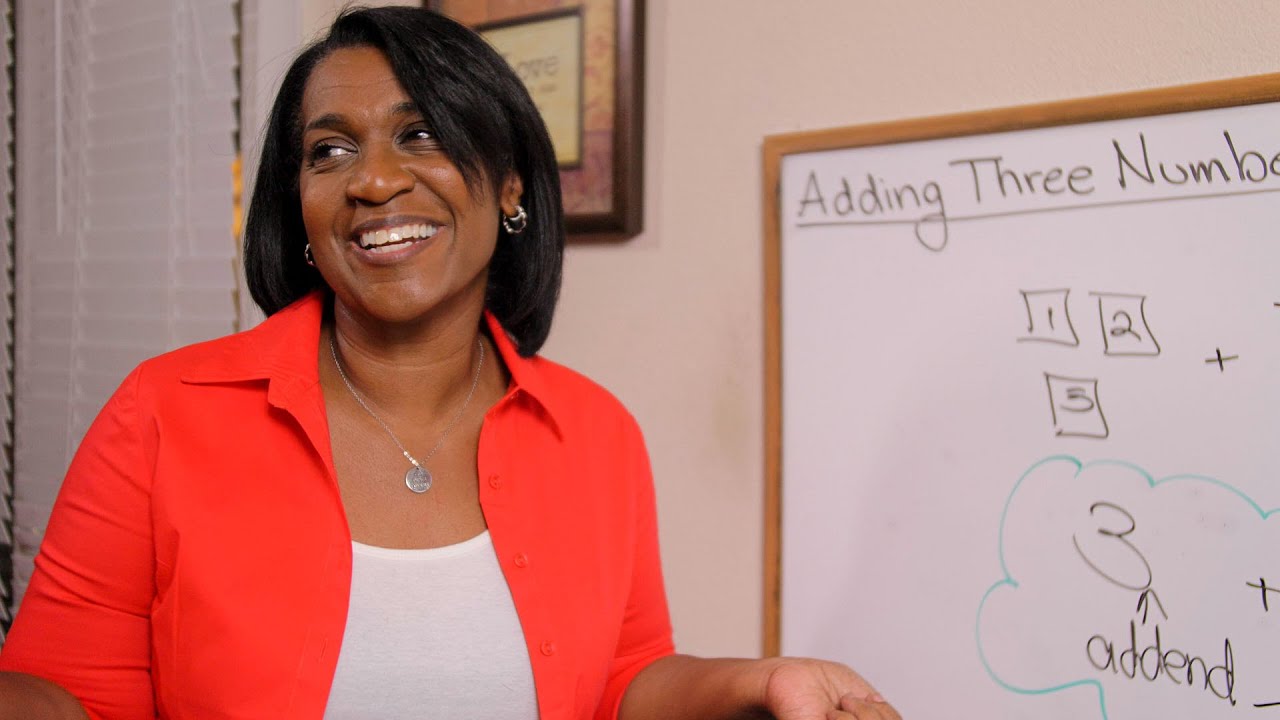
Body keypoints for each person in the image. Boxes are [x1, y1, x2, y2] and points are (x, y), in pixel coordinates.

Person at [0, 7, 902, 720]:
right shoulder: (166, 411)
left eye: (422, 134)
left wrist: (763, 682)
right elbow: (75, 698)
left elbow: (623, 683)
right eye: (330, 150)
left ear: (511, 185)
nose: (374, 181)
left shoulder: (595, 433)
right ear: (301, 207)